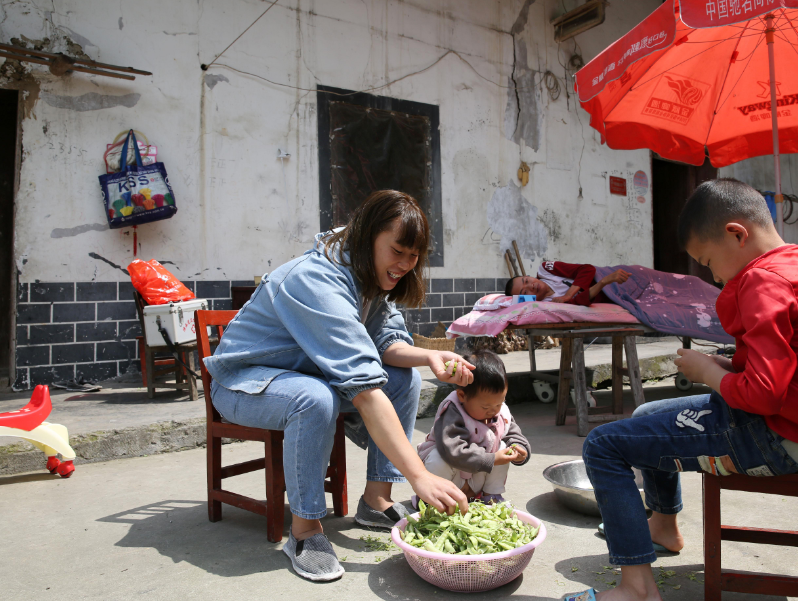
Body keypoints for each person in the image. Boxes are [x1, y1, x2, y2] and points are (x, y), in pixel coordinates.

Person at [204, 190, 473, 582]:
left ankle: (376, 501)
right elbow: (363, 387)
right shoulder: (317, 280)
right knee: (314, 400)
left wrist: (428, 357)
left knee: (404, 379)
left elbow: (384, 344)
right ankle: (305, 532)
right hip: (244, 383)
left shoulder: (370, 274)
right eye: (398, 251)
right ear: (369, 239)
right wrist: (420, 476)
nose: (404, 265)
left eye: (413, 256)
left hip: (307, 378)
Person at [568, 179, 798, 601]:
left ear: (737, 233)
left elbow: (764, 393)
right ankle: (663, 527)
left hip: (773, 436)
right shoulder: (792, 265)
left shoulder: (764, 282)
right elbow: (783, 369)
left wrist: (707, 373)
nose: (712, 275)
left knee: (602, 445)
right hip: (781, 422)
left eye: (709, 261)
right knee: (644, 420)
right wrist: (724, 366)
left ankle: (636, 587)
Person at [416, 349, 531, 505]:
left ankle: (491, 496)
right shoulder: (452, 411)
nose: (493, 410)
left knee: (503, 446)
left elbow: (512, 433)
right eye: (485, 407)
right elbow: (452, 451)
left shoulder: (500, 412)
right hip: (451, 474)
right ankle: (434, 499)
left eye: (499, 403)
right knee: (438, 458)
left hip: (475, 478)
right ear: (462, 396)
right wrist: (491, 459)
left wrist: (519, 448)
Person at [505, 260, 630, 305]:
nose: (531, 285)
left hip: (616, 276)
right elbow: (580, 301)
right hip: (609, 290)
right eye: (525, 291)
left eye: (526, 280)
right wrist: (603, 282)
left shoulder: (546, 270)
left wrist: (568, 295)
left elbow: (587, 269)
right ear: (528, 299)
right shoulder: (548, 304)